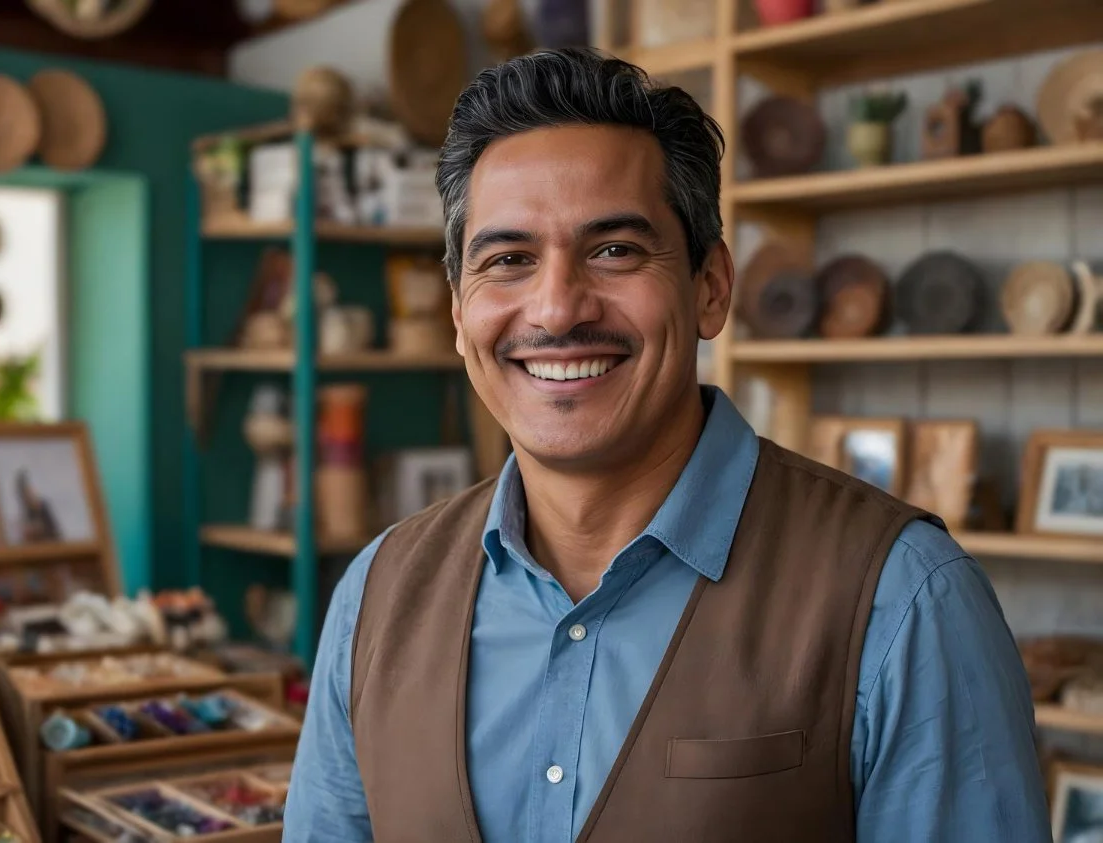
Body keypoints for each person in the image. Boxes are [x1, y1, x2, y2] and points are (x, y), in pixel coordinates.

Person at [282, 47, 1049, 843]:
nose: (555, 310)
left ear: (711, 286)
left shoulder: (907, 600)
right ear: (457, 311)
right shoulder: (375, 596)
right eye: (508, 260)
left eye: (613, 250)